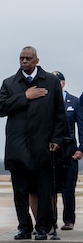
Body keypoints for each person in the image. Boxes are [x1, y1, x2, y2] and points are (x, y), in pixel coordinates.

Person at [0, 46, 67, 240]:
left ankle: (43, 227)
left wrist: (57, 139)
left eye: (28, 58)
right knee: (20, 191)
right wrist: (24, 97)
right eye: (21, 58)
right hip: (17, 147)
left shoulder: (51, 82)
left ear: (36, 60)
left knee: (44, 190)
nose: (24, 61)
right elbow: (0, 109)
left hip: (42, 146)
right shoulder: (9, 83)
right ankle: (24, 226)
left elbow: (60, 115)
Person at [52, 71, 82, 231]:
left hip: (70, 151)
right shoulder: (47, 102)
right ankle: (51, 221)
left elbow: (82, 127)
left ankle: (69, 220)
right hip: (52, 152)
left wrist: (81, 149)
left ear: (63, 83)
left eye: (58, 82)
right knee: (50, 188)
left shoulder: (75, 102)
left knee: (68, 188)